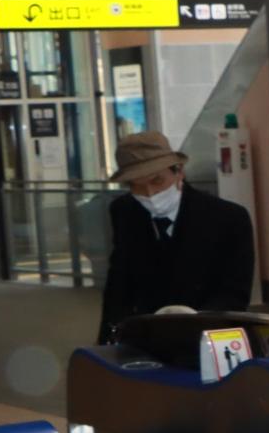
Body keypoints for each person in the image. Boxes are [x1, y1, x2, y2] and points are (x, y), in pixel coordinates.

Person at [96, 130, 255, 342]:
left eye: (157, 181)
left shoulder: (229, 218)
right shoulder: (124, 211)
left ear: (179, 172)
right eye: (137, 186)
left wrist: (192, 324)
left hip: (207, 335)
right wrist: (108, 340)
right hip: (145, 336)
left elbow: (235, 293)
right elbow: (119, 284)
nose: (150, 194)